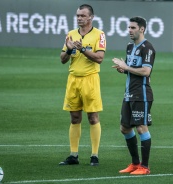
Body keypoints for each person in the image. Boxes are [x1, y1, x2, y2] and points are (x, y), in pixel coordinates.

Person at [59, 4, 106, 166]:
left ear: (90, 17)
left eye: (82, 15)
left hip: (90, 79)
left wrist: (83, 50)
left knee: (92, 117)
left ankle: (94, 155)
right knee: (75, 117)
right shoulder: (71, 34)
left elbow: (100, 58)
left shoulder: (99, 35)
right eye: (78, 15)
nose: (79, 18)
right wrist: (70, 50)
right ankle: (73, 155)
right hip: (73, 79)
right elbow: (62, 59)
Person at [112, 16, 156, 175]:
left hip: (142, 94)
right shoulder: (130, 47)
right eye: (129, 27)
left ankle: (145, 167)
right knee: (124, 128)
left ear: (142, 29)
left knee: (141, 127)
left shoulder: (148, 48)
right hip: (129, 93)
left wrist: (126, 67)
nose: (129, 30)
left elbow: (146, 71)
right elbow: (133, 69)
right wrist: (123, 69)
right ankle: (135, 163)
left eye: (132, 28)